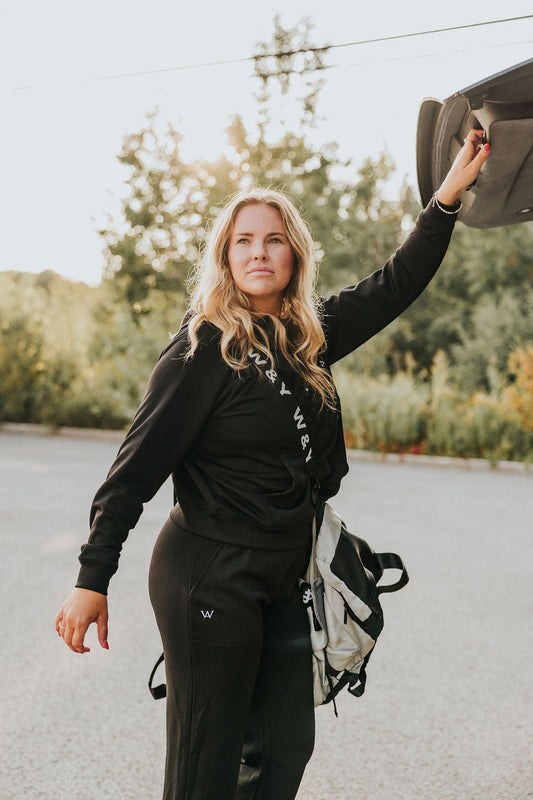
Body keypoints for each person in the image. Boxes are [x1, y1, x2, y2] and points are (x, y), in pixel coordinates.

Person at [56, 130, 490, 800]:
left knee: (284, 746)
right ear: (225, 258)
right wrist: (93, 578)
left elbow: (395, 284)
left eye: (273, 240)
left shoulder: (308, 336)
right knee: (205, 761)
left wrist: (446, 199)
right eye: (244, 241)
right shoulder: (202, 349)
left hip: (287, 574)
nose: (259, 252)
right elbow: (133, 472)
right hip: (208, 576)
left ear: (294, 254)